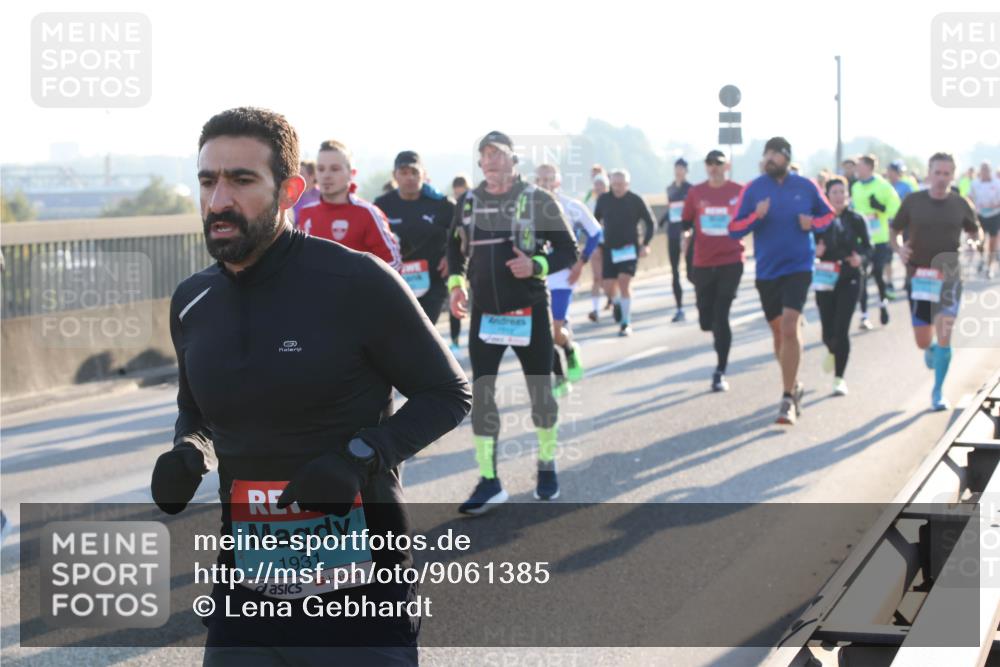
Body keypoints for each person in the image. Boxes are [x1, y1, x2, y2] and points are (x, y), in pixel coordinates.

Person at [152, 106, 471, 665]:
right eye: (208, 180)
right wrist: (191, 448)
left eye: (242, 180)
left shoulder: (356, 282)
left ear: (289, 190)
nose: (219, 199)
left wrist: (360, 456)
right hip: (246, 596)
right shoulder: (192, 302)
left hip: (361, 595)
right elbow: (194, 409)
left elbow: (447, 393)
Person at [448, 131, 579, 512]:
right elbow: (453, 250)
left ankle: (547, 464)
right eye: (484, 155)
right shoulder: (468, 202)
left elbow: (568, 251)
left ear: (512, 160)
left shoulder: (538, 199)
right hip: (485, 315)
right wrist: (457, 285)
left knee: (541, 396)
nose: (490, 161)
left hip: (529, 311)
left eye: (497, 154)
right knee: (482, 397)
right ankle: (489, 481)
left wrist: (535, 264)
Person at [729, 137, 834, 425]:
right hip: (767, 271)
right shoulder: (754, 189)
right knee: (779, 333)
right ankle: (794, 382)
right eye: (767, 154)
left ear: (787, 158)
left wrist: (812, 224)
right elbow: (734, 229)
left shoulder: (805, 186)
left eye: (776, 154)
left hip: (799, 266)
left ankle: (787, 397)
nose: (770, 159)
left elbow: (829, 216)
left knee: (789, 325)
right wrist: (755, 216)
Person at [890, 152, 982, 410]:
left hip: (949, 277)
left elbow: (975, 230)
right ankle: (932, 350)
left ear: (953, 175)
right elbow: (894, 230)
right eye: (937, 173)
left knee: (944, 332)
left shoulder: (960, 204)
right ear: (929, 174)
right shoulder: (912, 201)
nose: (942, 179)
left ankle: (938, 391)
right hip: (919, 277)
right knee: (923, 341)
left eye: (947, 174)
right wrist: (899, 249)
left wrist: (975, 241)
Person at [534, 163, 602, 397]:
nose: (544, 183)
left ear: (558, 181)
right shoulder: (528, 209)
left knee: (553, 330)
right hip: (538, 277)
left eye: (549, 179)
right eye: (540, 179)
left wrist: (581, 263)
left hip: (563, 277)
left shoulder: (572, 207)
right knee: (543, 333)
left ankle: (569, 349)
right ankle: (561, 378)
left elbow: (595, 232)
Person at [681, 150, 745, 391]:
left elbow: (749, 218)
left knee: (721, 315)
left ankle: (720, 370)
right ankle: (712, 328)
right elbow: (687, 221)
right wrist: (685, 235)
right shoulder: (696, 192)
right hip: (703, 261)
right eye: (709, 164)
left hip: (731, 260)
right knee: (706, 320)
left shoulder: (738, 191)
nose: (713, 168)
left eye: (718, 164)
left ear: (725, 166)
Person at [375, 151, 455, 325]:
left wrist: (451, 256)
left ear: (423, 174)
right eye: (403, 173)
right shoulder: (381, 205)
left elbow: (462, 234)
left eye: (414, 172)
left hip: (433, 282)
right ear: (394, 175)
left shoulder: (442, 204)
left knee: (423, 328)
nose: (410, 177)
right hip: (395, 282)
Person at [295, 139, 402, 270]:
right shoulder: (306, 212)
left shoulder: (368, 213)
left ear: (352, 174)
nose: (326, 175)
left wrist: (353, 284)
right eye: (321, 169)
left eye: (335, 169)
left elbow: (394, 264)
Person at [814, 176, 871, 396]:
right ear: (827, 196)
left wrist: (861, 259)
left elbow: (869, 248)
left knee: (841, 329)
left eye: (842, 192)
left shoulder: (856, 219)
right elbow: (809, 245)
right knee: (827, 333)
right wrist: (816, 251)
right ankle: (832, 349)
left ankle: (839, 378)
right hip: (825, 278)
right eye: (834, 192)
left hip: (850, 277)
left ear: (847, 195)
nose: (839, 196)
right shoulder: (820, 220)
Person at [594, 168, 656, 336]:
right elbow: (594, 222)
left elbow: (650, 223)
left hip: (629, 248)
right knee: (607, 286)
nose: (617, 187)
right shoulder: (604, 200)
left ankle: (625, 323)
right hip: (609, 248)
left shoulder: (636, 200)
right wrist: (596, 245)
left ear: (627, 184)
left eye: (621, 184)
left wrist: (646, 244)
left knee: (624, 282)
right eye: (614, 184)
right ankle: (617, 303)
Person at [851, 154, 901, 326]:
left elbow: (896, 208)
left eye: (860, 165)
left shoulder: (883, 186)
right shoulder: (856, 187)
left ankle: (882, 304)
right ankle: (864, 315)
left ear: (869, 167)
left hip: (880, 238)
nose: (857, 168)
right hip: (861, 239)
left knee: (878, 273)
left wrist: (880, 208)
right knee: (862, 276)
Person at [662, 157, 693, 323]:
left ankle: (703, 298)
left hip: (687, 233)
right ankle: (679, 308)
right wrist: (663, 220)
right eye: (676, 168)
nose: (678, 171)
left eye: (681, 168)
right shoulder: (670, 189)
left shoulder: (691, 189)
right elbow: (672, 209)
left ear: (686, 171)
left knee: (691, 272)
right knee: (674, 272)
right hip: (673, 233)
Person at [447, 175, 473, 351]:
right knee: (455, 301)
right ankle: (455, 341)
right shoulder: (454, 209)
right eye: (456, 195)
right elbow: (452, 242)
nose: (458, 198)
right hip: (459, 268)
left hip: (477, 266)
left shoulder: (477, 207)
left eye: (461, 194)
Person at [969, 160, 1000, 278]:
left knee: (992, 242)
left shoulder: (997, 183)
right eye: (983, 169)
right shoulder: (975, 183)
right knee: (980, 241)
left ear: (990, 171)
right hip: (980, 215)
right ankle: (982, 258)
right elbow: (970, 197)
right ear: (980, 171)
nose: (985, 172)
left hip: (995, 215)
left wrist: (994, 206)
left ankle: (990, 266)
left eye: (987, 169)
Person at [587, 173, 610, 322]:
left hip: (612, 244)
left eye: (602, 184)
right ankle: (595, 310)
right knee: (596, 277)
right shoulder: (590, 203)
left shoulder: (613, 202)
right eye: (597, 185)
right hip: (596, 243)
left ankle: (615, 301)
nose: (599, 187)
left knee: (610, 279)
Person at [291, 159, 319, 225]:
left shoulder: (322, 196)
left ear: (312, 176)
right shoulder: (292, 197)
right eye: (296, 174)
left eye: (301, 174)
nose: (297, 177)